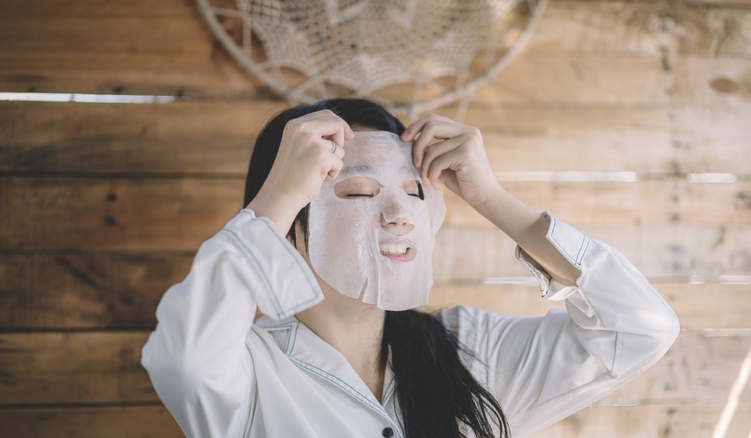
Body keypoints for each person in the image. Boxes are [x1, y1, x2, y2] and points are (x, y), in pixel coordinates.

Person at [141, 98, 680, 438]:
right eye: (357, 191)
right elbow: (183, 363)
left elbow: (640, 329)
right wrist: (276, 195)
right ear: (288, 222)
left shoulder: (472, 348)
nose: (399, 215)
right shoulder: (247, 369)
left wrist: (491, 198)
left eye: (412, 192)